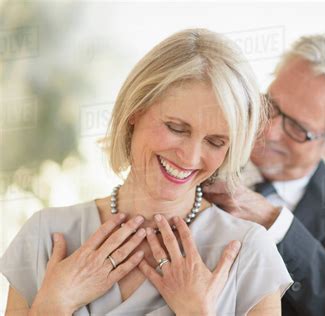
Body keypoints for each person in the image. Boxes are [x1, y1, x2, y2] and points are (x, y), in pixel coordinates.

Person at [0, 29, 293, 316]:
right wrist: (53, 305)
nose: (190, 156)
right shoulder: (44, 237)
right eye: (176, 128)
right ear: (135, 112)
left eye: (215, 142)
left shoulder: (250, 252)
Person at [204, 34, 325, 315]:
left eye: (297, 128)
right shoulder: (206, 150)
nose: (269, 130)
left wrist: (276, 223)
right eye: (271, 104)